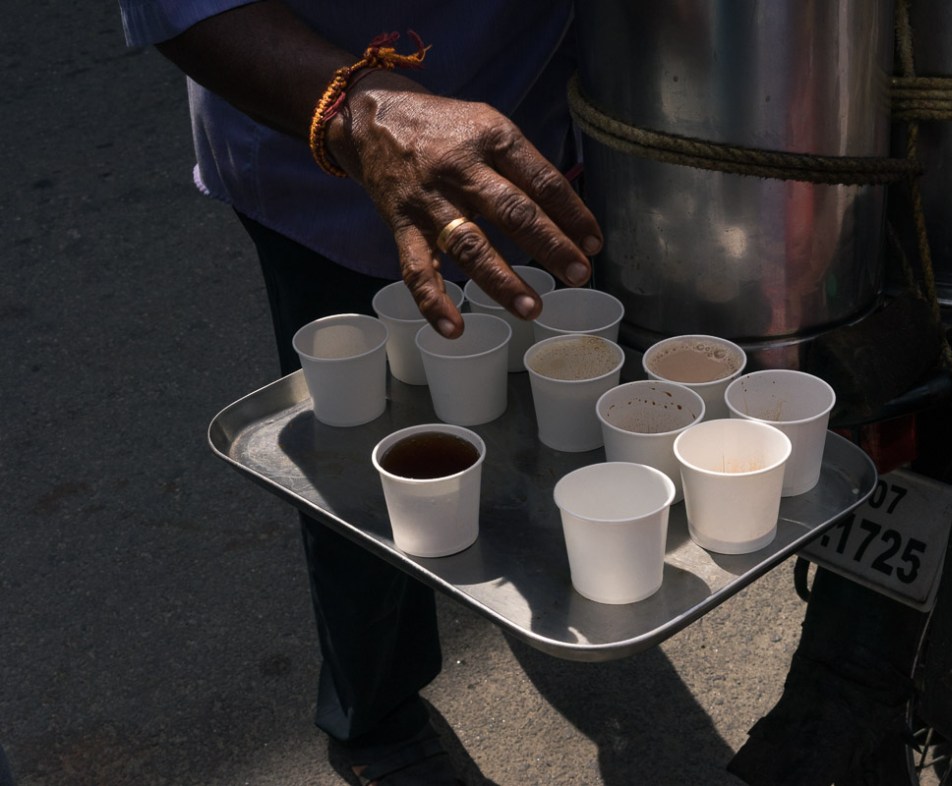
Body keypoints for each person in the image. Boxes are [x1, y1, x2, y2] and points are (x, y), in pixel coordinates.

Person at [118, 2, 603, 783]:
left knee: (537, 405)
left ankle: (543, 583)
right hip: (320, 146)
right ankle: (374, 713)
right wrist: (354, 110)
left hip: (545, 114)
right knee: (368, 453)